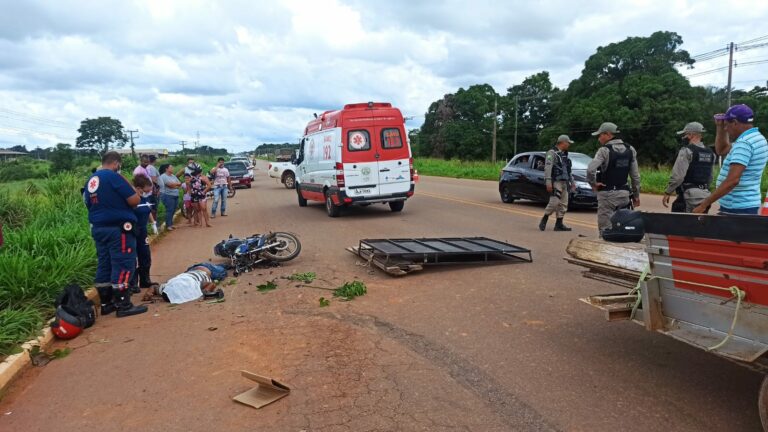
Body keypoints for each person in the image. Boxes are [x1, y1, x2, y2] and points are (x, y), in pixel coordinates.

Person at [83, 151, 147, 317]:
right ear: (117, 164)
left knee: (105, 264)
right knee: (123, 263)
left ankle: (106, 303)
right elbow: (134, 200)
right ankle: (123, 305)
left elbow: (87, 203)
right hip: (118, 229)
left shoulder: (92, 179)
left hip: (98, 228)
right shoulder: (114, 177)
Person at [694, 104, 768, 214]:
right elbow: (722, 150)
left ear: (735, 122)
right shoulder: (757, 138)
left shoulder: (744, 144)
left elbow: (732, 181)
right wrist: (719, 127)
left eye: (727, 125)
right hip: (746, 204)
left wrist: (704, 204)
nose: (725, 128)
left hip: (736, 206)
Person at [586, 122, 641, 236]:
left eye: (600, 135)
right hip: (624, 195)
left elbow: (590, 169)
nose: (599, 138)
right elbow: (635, 176)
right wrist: (636, 196)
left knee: (606, 231)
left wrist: (594, 184)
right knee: (622, 229)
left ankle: (605, 249)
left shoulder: (604, 150)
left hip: (607, 195)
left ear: (608, 134)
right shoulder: (630, 149)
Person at [662, 122, 715, 213]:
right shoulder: (711, 153)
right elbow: (710, 177)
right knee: (700, 225)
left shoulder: (686, 151)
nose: (683, 137)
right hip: (705, 196)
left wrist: (668, 192)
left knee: (681, 224)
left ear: (690, 135)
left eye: (684, 135)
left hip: (688, 196)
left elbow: (678, 177)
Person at [128, 175, 159, 294]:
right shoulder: (132, 200)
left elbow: (148, 210)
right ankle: (133, 283)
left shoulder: (144, 199)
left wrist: (153, 223)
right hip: (133, 231)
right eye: (147, 189)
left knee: (145, 256)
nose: (149, 192)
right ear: (139, 188)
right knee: (133, 258)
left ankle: (145, 280)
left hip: (143, 230)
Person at [539, 135, 576, 231]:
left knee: (564, 203)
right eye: (568, 143)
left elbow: (568, 170)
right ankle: (545, 218)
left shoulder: (564, 154)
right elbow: (548, 167)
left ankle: (559, 224)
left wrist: (572, 182)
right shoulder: (551, 153)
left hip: (565, 182)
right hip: (556, 181)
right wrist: (548, 182)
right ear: (563, 142)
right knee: (554, 202)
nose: (569, 145)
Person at [141, 265, 222, 304]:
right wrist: (149, 293)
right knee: (223, 269)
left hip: (203, 269)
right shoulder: (168, 288)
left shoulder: (192, 284)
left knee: (223, 268)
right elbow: (154, 287)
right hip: (198, 272)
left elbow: (212, 284)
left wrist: (148, 293)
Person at [157, 163, 181, 231]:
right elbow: (170, 185)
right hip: (168, 195)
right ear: (166, 169)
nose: (172, 169)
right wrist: (175, 185)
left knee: (173, 210)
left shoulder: (173, 176)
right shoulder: (163, 176)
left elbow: (179, 183)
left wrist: (175, 185)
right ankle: (168, 225)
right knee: (169, 210)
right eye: (171, 167)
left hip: (175, 195)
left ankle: (170, 224)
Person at [146, 155, 160, 220]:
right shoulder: (151, 167)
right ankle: (154, 224)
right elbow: (154, 180)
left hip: (151, 191)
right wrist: (157, 190)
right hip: (154, 191)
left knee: (152, 207)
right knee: (154, 208)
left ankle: (153, 223)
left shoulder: (148, 167)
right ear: (154, 160)